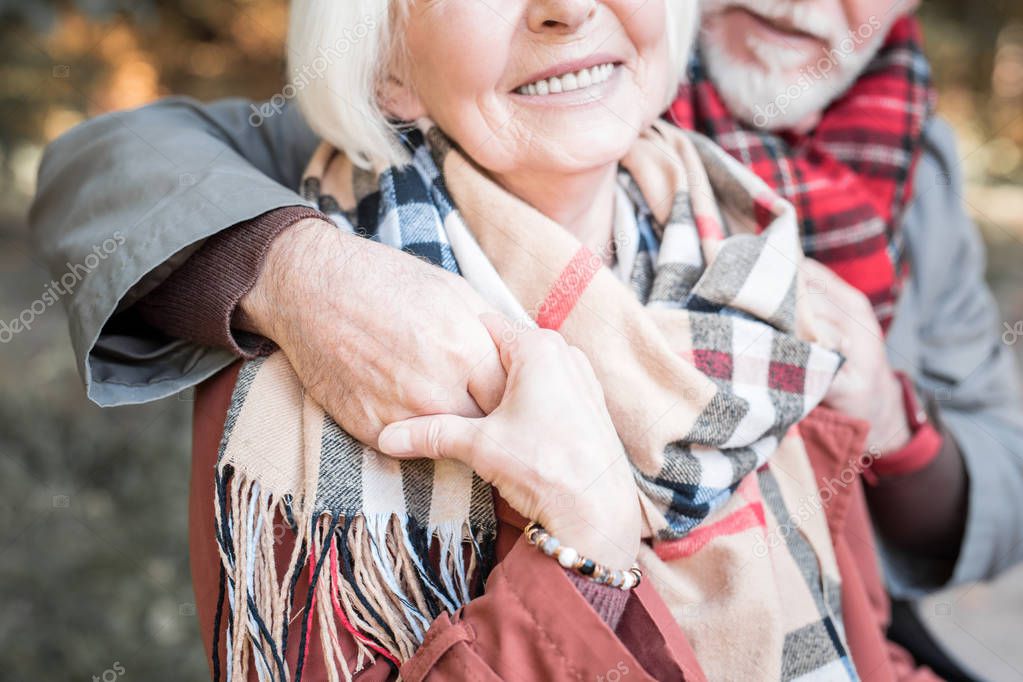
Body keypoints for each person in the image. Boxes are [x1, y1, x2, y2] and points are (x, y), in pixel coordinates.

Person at [27, 0, 1023, 678]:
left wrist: (894, 419)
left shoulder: (753, 258)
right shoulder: (357, 283)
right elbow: (107, 167)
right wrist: (298, 271)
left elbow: (881, 611)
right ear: (388, 63)